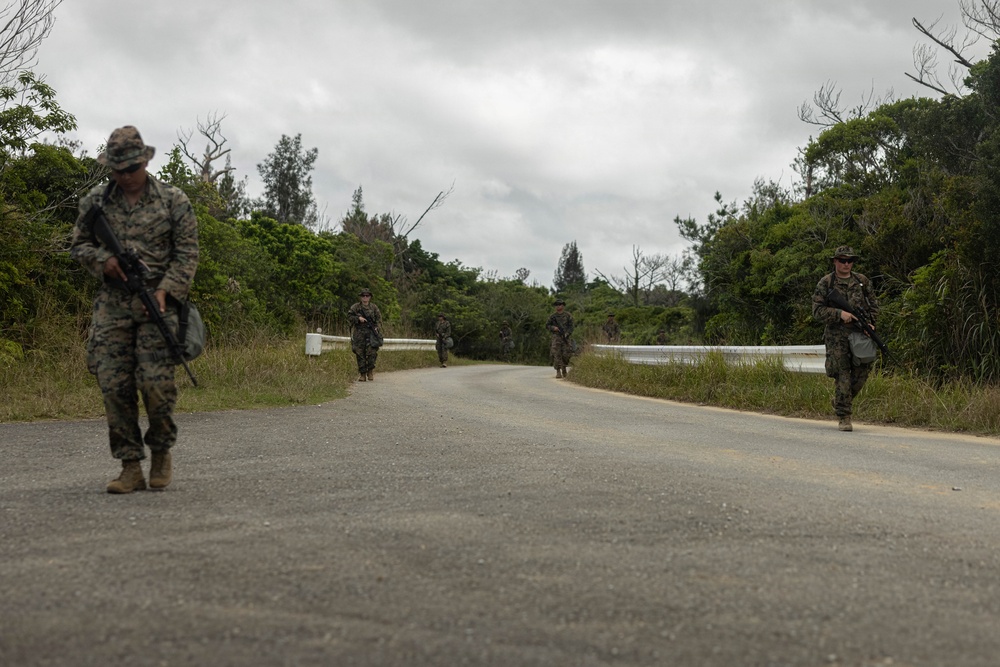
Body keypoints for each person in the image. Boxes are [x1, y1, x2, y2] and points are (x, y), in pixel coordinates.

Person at [70, 126, 199, 494]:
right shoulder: (95, 202)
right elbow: (78, 245)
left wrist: (166, 290)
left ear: (145, 162)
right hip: (112, 305)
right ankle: (129, 466)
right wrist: (104, 260)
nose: (125, 176)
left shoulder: (174, 200)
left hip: (156, 302)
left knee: (156, 386)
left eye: (132, 169)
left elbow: (188, 253)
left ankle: (161, 451)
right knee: (114, 385)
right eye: (118, 170)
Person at [812, 245, 880, 432]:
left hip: (859, 333)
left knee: (862, 372)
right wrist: (839, 314)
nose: (846, 264)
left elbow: (873, 304)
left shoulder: (862, 281)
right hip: (836, 335)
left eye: (850, 260)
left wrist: (871, 324)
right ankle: (844, 417)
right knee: (842, 374)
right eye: (842, 260)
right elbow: (817, 311)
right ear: (835, 261)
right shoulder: (826, 283)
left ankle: (840, 401)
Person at [348, 288, 382, 381]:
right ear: (361, 297)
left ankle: (370, 371)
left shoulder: (374, 308)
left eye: (367, 296)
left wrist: (377, 328)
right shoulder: (356, 307)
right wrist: (358, 319)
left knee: (372, 353)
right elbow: (349, 317)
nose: (365, 298)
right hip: (359, 333)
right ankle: (362, 374)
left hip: (371, 333)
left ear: (370, 297)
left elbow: (379, 319)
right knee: (360, 354)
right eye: (363, 296)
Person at [546, 298, 574, 378]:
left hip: (566, 337)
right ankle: (558, 371)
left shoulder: (568, 315)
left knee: (567, 354)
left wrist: (567, 333)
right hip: (556, 337)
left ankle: (564, 367)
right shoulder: (552, 317)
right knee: (556, 354)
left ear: (563, 306)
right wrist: (553, 328)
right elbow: (547, 325)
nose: (558, 306)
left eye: (559, 305)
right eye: (556, 305)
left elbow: (571, 326)